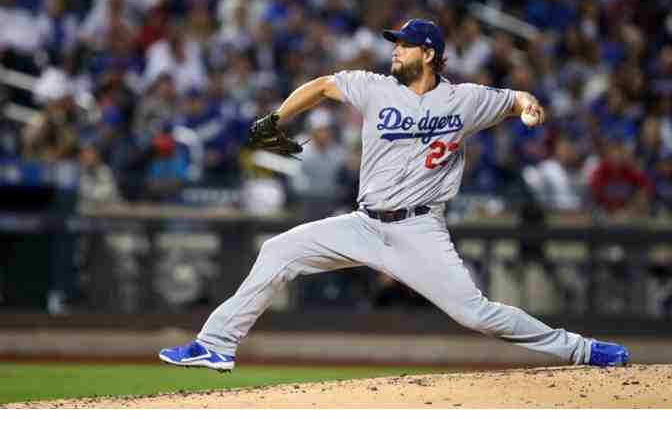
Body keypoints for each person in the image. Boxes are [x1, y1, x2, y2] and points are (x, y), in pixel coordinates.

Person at [160, 19, 629, 372]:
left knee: (477, 314)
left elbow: (516, 98)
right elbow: (321, 86)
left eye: (403, 44)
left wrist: (529, 106)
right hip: (364, 224)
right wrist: (277, 118)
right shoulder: (374, 88)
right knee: (278, 250)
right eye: (395, 43)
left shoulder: (464, 100)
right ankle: (216, 344)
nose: (395, 50)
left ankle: (581, 349)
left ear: (428, 53)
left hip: (419, 229)